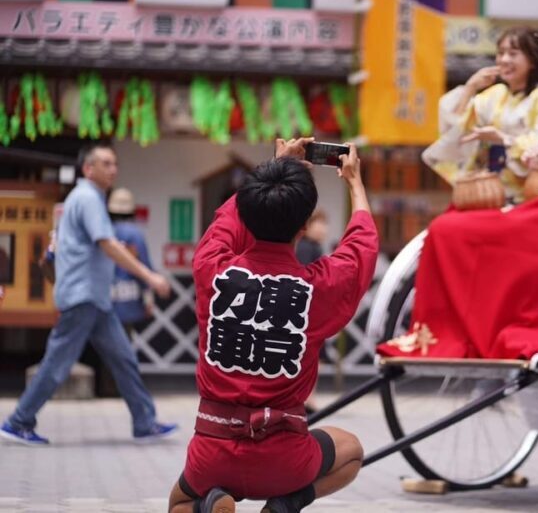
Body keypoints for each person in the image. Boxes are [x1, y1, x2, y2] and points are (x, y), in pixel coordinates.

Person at [379, 23, 538, 360]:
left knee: (502, 231)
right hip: (522, 191)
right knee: (445, 229)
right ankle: (449, 332)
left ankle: (492, 331)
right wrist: (474, 90)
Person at [167, 138, 378, 513]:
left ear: (247, 213)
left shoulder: (210, 268)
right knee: (351, 452)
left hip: (212, 449)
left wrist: (274, 167)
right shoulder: (317, 288)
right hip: (286, 458)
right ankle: (283, 506)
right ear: (305, 225)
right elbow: (361, 247)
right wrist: (354, 182)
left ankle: (207, 505)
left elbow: (225, 223)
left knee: (181, 500)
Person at [0, 143, 176, 446]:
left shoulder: (85, 198)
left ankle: (145, 422)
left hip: (94, 298)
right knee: (57, 364)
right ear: (88, 169)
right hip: (83, 297)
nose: (113, 169)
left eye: (115, 163)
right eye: (105, 163)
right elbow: (107, 244)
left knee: (123, 359)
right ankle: (19, 421)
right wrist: (149, 276)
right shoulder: (88, 198)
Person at [422, 26, 538, 201]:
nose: (504, 60)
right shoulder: (495, 94)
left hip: (526, 192)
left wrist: (504, 139)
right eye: (501, 53)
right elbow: (456, 130)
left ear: (532, 60)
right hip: (487, 190)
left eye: (513, 54)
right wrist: (470, 88)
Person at [108, 187, 155, 332]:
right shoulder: (135, 234)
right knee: (125, 342)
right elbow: (144, 264)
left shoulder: (104, 231)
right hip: (129, 297)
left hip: (105, 297)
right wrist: (148, 298)